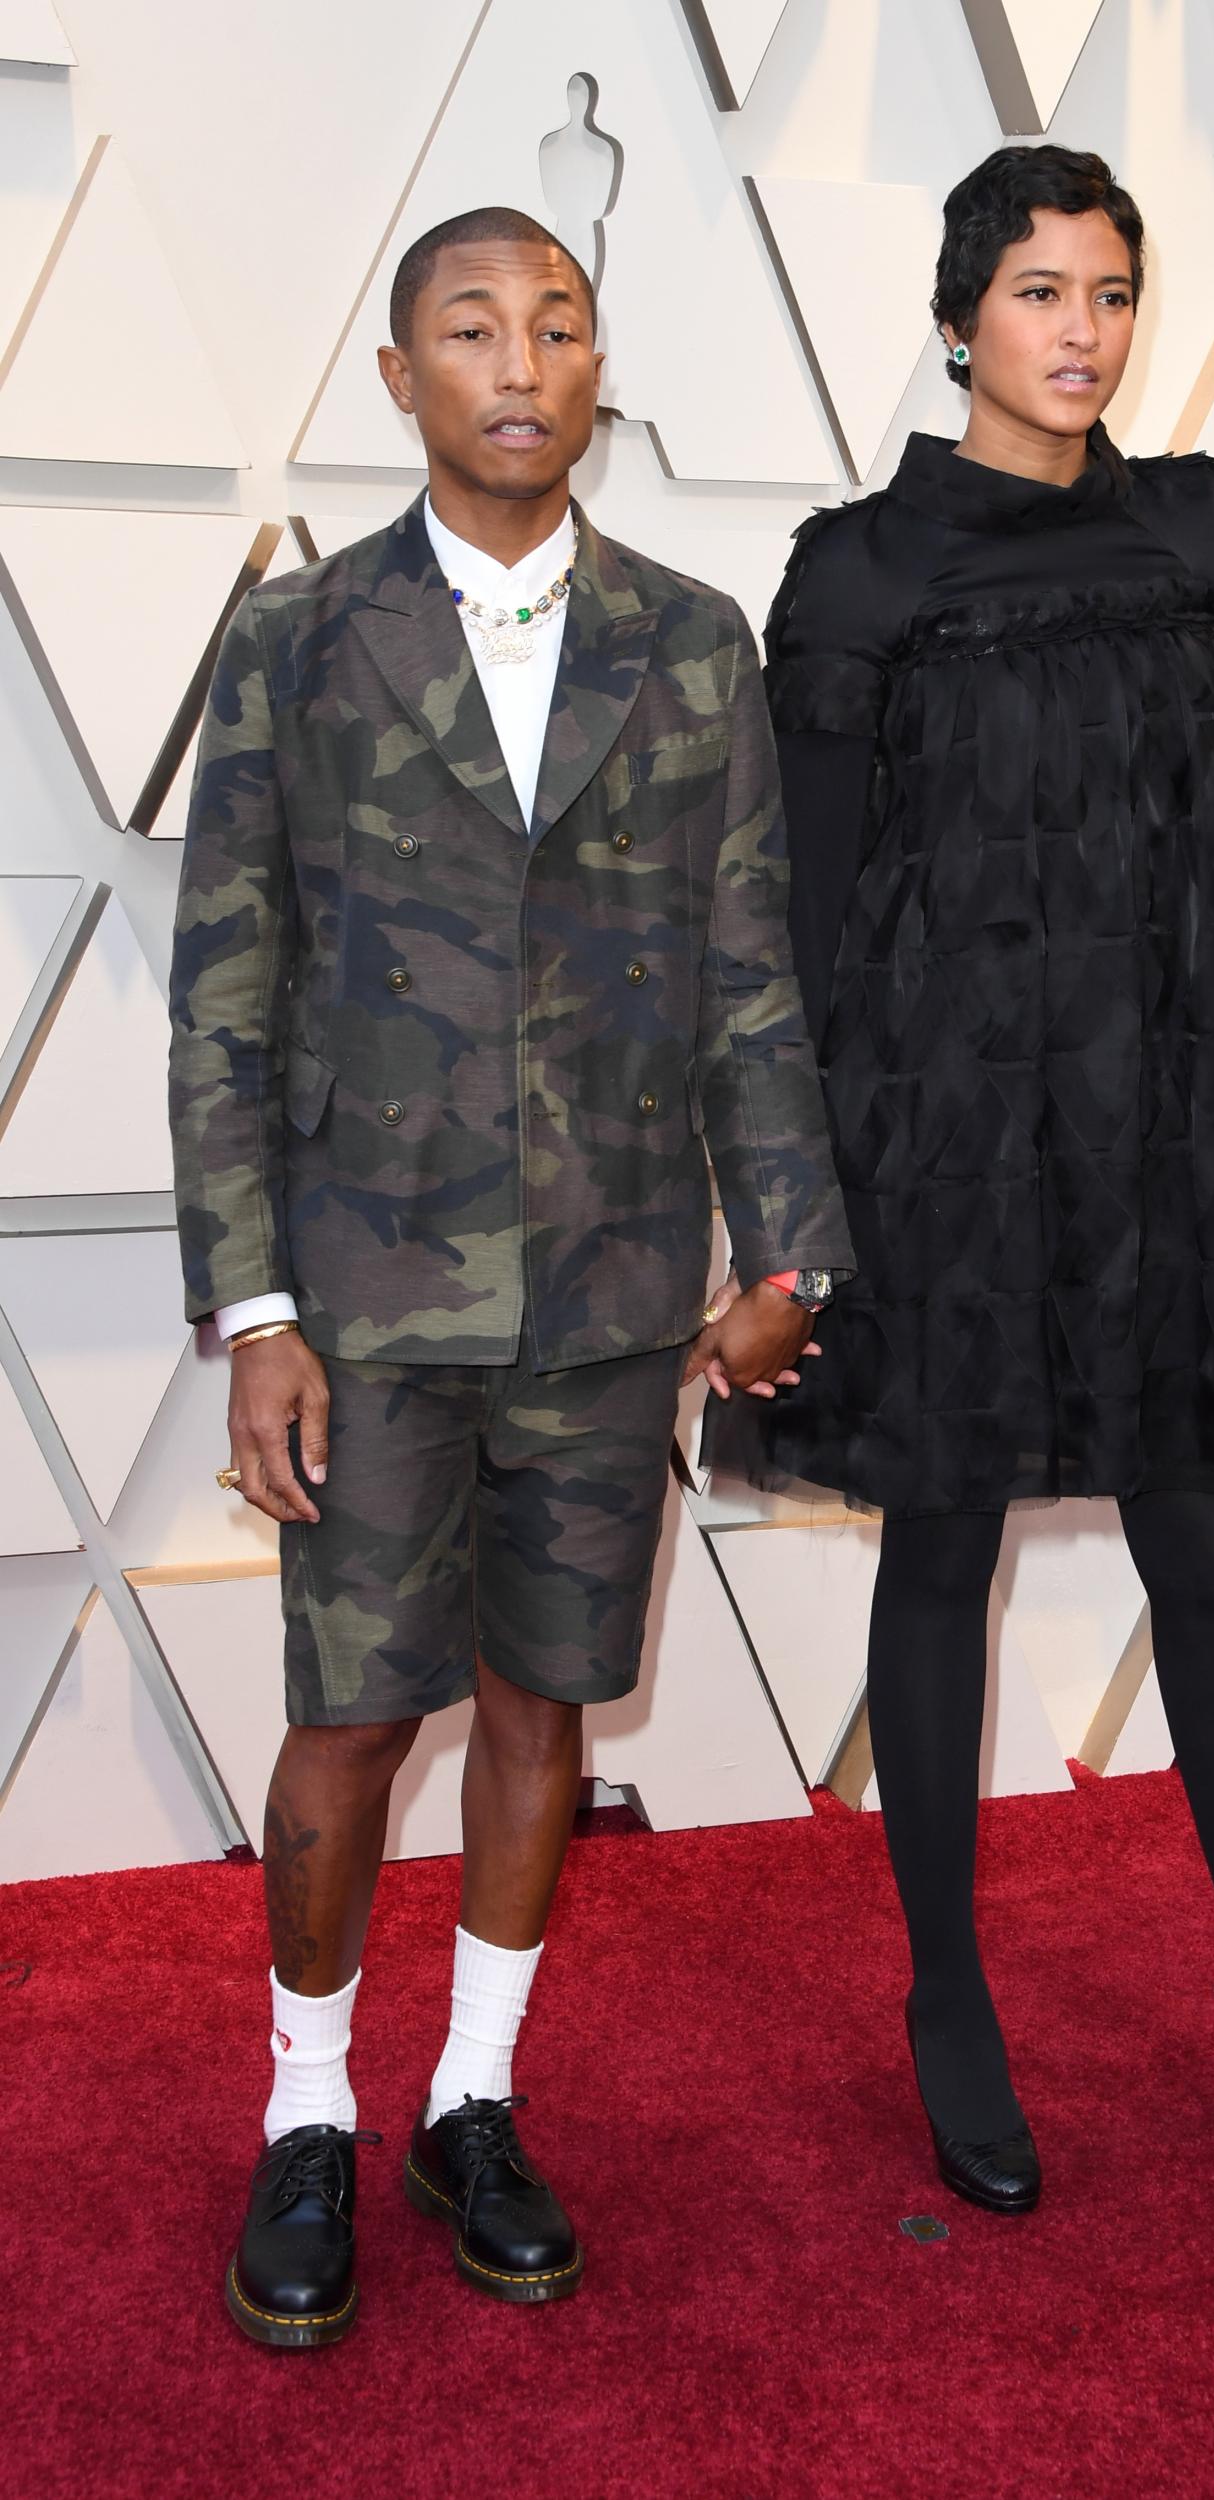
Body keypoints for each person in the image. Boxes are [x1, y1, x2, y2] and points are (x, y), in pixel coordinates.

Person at [169, 205, 852, 2346]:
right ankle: (306, 2111)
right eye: (472, 326)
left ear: (597, 364)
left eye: (559, 322)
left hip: (610, 1286)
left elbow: (753, 968)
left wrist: (792, 1249)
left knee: (545, 1700)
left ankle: (474, 2094)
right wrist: (253, 1307)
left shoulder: (693, 635)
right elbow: (225, 996)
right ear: (401, 376)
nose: (521, 357)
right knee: (347, 1724)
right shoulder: (295, 641)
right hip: (363, 1299)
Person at [710, 147, 1214, 2211]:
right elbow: (807, 917)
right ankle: (946, 1994)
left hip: (1149, 1128)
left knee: (1203, 1544)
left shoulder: (1193, 531)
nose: (1081, 328)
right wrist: (780, 1218)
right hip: (927, 1153)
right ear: (958, 319)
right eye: (1037, 290)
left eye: (1108, 290)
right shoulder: (857, 571)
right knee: (940, 1556)